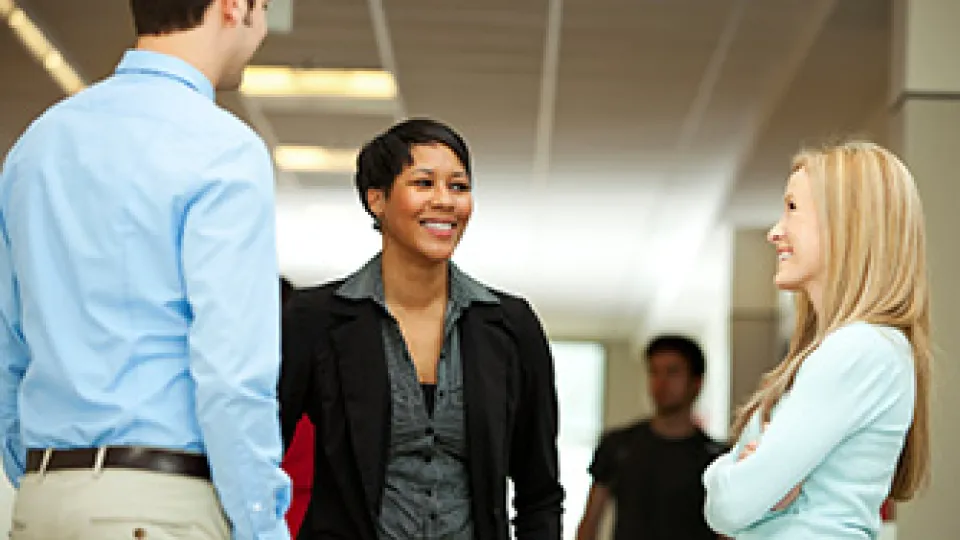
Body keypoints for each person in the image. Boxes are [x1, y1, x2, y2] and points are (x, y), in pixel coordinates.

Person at [0, 1, 290, 539]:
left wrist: (49, 479)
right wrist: (261, 525)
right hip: (158, 507)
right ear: (233, 7)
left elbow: (8, 348)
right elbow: (231, 375)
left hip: (41, 504)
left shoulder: (36, 146)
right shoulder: (223, 150)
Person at [279, 118, 564, 540]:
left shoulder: (510, 326)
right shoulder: (317, 318)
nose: (445, 201)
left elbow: (538, 492)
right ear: (377, 199)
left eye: (459, 186)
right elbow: (260, 455)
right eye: (424, 183)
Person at [702, 141, 930, 539]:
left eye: (792, 209)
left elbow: (729, 507)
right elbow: (734, 503)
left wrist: (737, 474)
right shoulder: (860, 347)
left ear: (848, 224)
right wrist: (746, 475)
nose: (775, 232)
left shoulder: (859, 348)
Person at [576, 335, 726, 540]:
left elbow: (726, 531)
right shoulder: (619, 445)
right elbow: (590, 521)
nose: (661, 383)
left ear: (696, 382)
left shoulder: (717, 459)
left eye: (672, 372)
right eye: (654, 372)